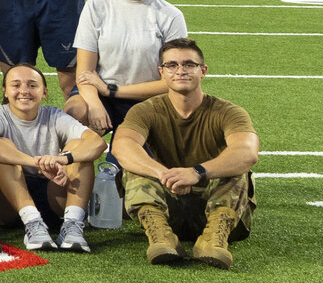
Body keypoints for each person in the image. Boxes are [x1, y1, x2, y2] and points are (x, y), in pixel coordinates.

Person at [111, 39, 259, 270]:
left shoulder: (229, 112)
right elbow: (122, 146)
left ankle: (213, 241)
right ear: (162, 72)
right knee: (135, 168)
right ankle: (161, 237)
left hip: (220, 212)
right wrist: (163, 173)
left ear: (203, 71)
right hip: (169, 208)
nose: (180, 70)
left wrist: (197, 172)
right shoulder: (145, 110)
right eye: (171, 65)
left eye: (189, 64)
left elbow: (247, 152)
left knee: (238, 170)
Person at [67, 0, 190, 146]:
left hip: (147, 100)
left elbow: (171, 82)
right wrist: (95, 103)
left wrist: (113, 90)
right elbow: (85, 73)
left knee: (123, 159)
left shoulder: (170, 16)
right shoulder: (96, 7)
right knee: (74, 115)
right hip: (100, 94)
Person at [0, 62, 108, 254]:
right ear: (5, 91)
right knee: (4, 146)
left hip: (49, 193)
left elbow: (97, 143)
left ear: (44, 91)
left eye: (32, 85)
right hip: (4, 204)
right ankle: (32, 221)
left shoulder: (54, 115)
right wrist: (36, 162)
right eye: (16, 85)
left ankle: (72, 225)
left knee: (77, 148)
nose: (24, 91)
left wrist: (63, 159)